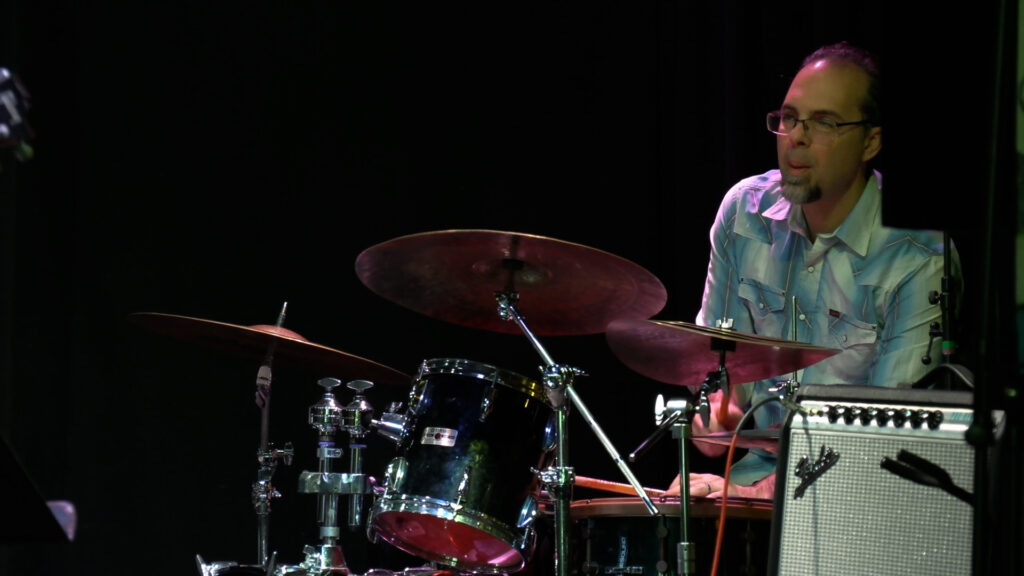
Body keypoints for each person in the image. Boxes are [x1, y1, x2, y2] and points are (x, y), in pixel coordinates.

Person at [666, 41, 960, 500]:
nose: (797, 137)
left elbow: (883, 444)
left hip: (859, 499)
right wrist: (717, 406)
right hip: (750, 484)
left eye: (823, 122)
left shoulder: (918, 256)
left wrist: (755, 495)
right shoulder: (744, 213)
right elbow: (717, 375)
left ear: (871, 142)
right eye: (788, 118)